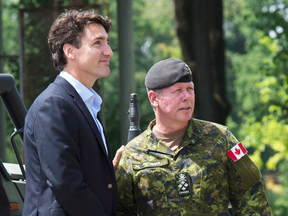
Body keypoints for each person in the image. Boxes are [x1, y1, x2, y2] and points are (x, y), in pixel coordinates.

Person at [116, 58, 272, 215]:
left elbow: (252, 199)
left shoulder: (221, 138)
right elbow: (119, 210)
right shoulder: (133, 153)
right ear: (154, 99)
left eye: (190, 89)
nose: (186, 97)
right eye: (177, 91)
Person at [23, 9, 124, 216]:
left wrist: (107, 171)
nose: (109, 51)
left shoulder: (82, 102)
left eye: (107, 42)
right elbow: (67, 185)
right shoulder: (54, 104)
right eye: (98, 43)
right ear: (70, 51)